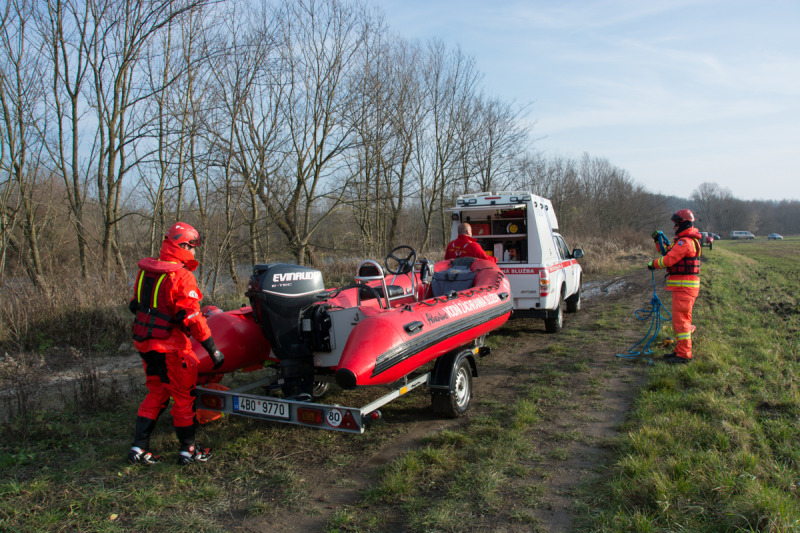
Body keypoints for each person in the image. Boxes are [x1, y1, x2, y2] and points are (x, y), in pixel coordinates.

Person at [128, 222, 225, 465]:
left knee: (156, 392)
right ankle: (188, 451)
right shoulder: (181, 276)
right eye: (192, 248)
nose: (194, 253)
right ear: (182, 245)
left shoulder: (146, 272)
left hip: (145, 344)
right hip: (171, 348)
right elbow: (192, 317)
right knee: (183, 398)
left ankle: (138, 449)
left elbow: (134, 304)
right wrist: (212, 348)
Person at [648, 209, 702, 364]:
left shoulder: (685, 242)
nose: (674, 228)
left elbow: (668, 260)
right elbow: (667, 252)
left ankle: (684, 354)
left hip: (684, 288)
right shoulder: (684, 241)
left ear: (684, 224)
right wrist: (658, 240)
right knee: (681, 320)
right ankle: (679, 350)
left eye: (676, 225)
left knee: (682, 322)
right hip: (684, 288)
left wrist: (653, 264)